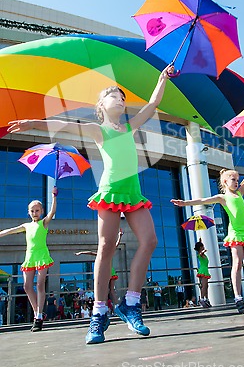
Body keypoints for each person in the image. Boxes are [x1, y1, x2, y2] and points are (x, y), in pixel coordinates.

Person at [8, 64, 173, 343]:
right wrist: (33, 123)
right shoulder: (99, 130)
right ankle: (98, 313)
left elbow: (154, 103)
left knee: (150, 241)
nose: (120, 99)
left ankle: (130, 303)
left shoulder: (130, 126)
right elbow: (65, 126)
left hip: (133, 193)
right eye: (113, 96)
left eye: (122, 97)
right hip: (109, 192)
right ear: (101, 106)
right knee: (106, 246)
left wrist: (162, 79)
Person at [172, 152, 244, 314]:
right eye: (233, 180)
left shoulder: (241, 192)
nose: (236, 182)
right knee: (237, 264)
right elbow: (202, 200)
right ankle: (238, 298)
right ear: (225, 182)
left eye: (237, 179)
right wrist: (185, 203)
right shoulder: (222, 197)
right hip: (235, 233)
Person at [0, 187, 58, 331]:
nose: (34, 213)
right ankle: (37, 312)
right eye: (32, 211)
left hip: (42, 255)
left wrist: (54, 196)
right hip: (30, 256)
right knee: (27, 286)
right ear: (29, 212)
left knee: (39, 285)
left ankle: (38, 317)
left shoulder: (43, 223)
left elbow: (52, 212)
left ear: (41, 211)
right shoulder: (26, 225)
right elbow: (11, 230)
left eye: (37, 210)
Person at [75, 229, 124, 313]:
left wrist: (81, 252)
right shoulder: (110, 251)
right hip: (111, 271)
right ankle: (117, 305)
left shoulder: (102, 253)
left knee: (104, 290)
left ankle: (104, 307)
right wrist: (120, 236)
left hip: (106, 271)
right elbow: (117, 244)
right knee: (112, 290)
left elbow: (90, 252)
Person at [194, 239, 211, 308]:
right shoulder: (200, 254)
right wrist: (203, 251)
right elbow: (201, 253)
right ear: (201, 247)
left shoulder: (201, 254)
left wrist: (200, 241)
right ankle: (202, 299)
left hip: (205, 270)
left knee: (206, 286)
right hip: (203, 270)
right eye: (202, 246)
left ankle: (206, 299)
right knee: (204, 286)